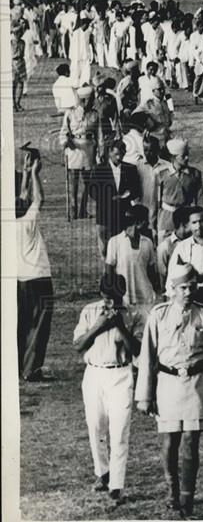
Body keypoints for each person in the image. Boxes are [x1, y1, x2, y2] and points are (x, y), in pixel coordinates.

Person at [135, 263, 203, 519]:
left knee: (191, 441)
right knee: (170, 440)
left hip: (197, 384)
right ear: (171, 289)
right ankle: (172, 490)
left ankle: (187, 497)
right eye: (183, 287)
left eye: (192, 286)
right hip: (168, 384)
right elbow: (147, 357)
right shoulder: (158, 316)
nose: (188, 292)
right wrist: (145, 395)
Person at [72, 273, 142, 505]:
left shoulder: (133, 313)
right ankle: (103, 473)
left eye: (115, 298)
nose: (110, 303)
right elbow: (78, 345)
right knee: (96, 428)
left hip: (121, 374)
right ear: (101, 294)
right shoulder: (90, 311)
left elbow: (137, 349)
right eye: (106, 298)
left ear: (122, 294)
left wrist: (120, 326)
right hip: (94, 374)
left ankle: (116, 485)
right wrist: (99, 326)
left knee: (119, 430)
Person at [16, 152, 54, 381]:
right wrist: (34, 174)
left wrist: (26, 174)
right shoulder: (28, 221)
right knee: (40, 324)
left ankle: (20, 366)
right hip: (38, 276)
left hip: (19, 279)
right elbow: (38, 199)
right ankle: (32, 369)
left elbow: (23, 197)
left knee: (21, 323)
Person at [104, 206, 161, 331]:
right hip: (125, 299)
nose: (148, 224)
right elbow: (109, 272)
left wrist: (156, 291)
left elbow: (151, 271)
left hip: (145, 299)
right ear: (138, 222)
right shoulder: (115, 242)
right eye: (146, 221)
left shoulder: (148, 243)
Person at [89, 139, 141, 254]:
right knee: (104, 248)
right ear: (110, 152)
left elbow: (136, 191)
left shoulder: (130, 169)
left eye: (122, 154)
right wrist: (109, 198)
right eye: (116, 154)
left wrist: (126, 196)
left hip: (122, 215)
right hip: (104, 215)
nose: (119, 157)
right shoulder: (99, 169)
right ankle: (107, 270)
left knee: (121, 247)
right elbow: (92, 191)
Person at [155, 138, 203, 239]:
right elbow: (155, 202)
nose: (187, 158)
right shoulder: (161, 174)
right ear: (173, 157)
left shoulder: (194, 175)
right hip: (166, 220)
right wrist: (153, 226)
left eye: (187, 154)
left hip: (187, 219)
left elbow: (200, 200)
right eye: (183, 156)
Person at [61, 84, 100, 219]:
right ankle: (73, 209)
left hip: (89, 148)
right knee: (73, 181)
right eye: (91, 98)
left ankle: (83, 209)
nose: (93, 101)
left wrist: (101, 151)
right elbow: (64, 132)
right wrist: (67, 142)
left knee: (87, 182)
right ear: (84, 100)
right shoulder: (70, 113)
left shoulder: (95, 114)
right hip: (74, 148)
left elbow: (99, 135)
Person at [157, 206, 191, 281]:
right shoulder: (164, 247)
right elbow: (163, 276)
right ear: (184, 225)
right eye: (193, 223)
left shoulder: (195, 242)